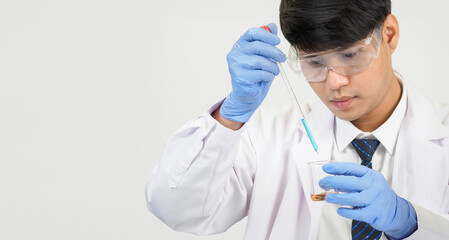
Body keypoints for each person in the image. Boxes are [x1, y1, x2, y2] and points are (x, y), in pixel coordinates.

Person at [146, 0, 449, 239]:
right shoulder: (265, 135)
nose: (334, 82)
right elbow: (178, 210)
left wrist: (412, 223)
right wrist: (229, 116)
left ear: (389, 35)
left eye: (350, 55)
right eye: (314, 62)